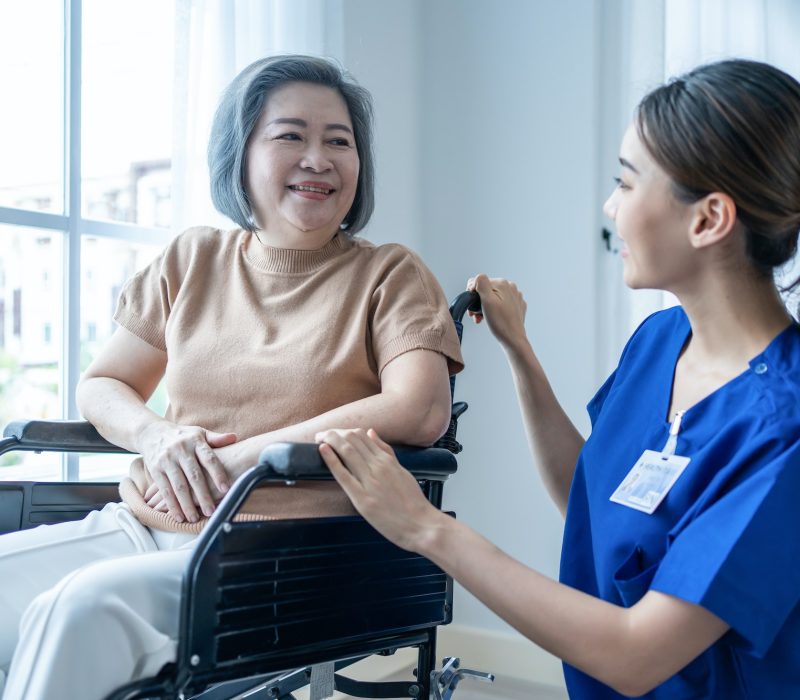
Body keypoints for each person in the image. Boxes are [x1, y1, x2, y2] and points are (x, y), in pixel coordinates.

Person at [318, 58, 800, 699]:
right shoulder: (661, 341)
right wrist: (519, 351)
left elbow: (636, 655)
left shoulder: (784, 432)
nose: (610, 206)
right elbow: (590, 499)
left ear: (708, 219)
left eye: (626, 183)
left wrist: (427, 529)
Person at [0, 55, 463, 700]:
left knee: (79, 608)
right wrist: (157, 436)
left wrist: (248, 456)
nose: (318, 159)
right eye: (291, 135)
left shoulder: (389, 274)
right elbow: (103, 384)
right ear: (239, 154)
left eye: (339, 142)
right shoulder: (193, 258)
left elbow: (419, 408)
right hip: (143, 525)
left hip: (284, 550)